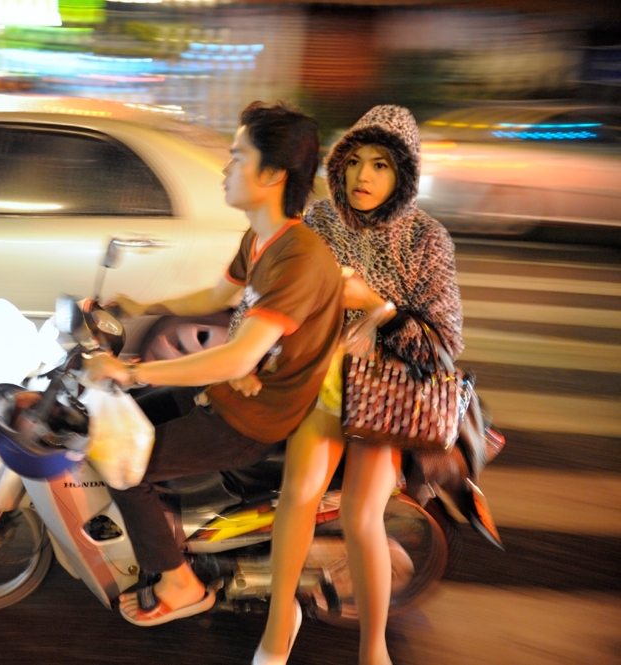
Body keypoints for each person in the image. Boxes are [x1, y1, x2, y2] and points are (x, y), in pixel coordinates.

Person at [85, 101, 344, 627]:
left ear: (272, 174)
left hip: (251, 418)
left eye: (236, 157)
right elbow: (217, 295)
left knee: (123, 463)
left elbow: (238, 355)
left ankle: (181, 585)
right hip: (228, 390)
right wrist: (139, 308)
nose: (226, 169)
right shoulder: (261, 239)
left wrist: (132, 370)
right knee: (117, 417)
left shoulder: (298, 257)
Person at [246, 105, 464, 665]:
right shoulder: (319, 222)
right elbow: (267, 294)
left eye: (382, 165)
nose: (363, 177)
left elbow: (443, 345)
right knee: (296, 496)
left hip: (389, 393)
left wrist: (379, 307)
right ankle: (276, 630)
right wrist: (245, 355)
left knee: (362, 515)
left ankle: (374, 651)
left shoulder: (427, 240)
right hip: (323, 380)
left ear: (404, 175)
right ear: (339, 165)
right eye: (356, 162)